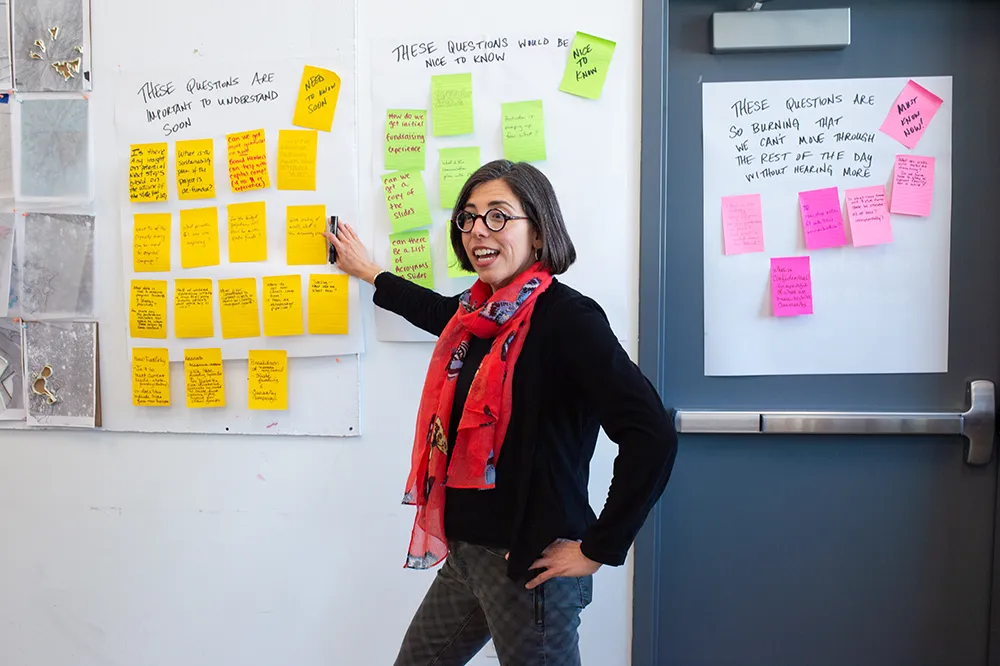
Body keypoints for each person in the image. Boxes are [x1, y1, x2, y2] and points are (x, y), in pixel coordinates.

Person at [325, 160, 678, 666]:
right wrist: (370, 272)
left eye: (497, 216)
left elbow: (651, 434)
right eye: (468, 217)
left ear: (539, 233)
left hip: (529, 567)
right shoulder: (475, 316)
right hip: (466, 555)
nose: (477, 230)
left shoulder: (568, 319)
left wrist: (599, 548)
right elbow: (431, 310)